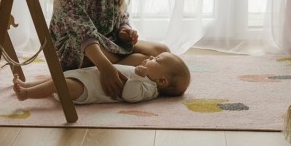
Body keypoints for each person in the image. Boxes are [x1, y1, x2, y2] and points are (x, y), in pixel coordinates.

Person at [14, 52, 191, 104]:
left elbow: (130, 95)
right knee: (56, 79)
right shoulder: (147, 77)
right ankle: (29, 84)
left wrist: (137, 76)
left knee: (58, 84)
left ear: (161, 81)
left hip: (88, 89)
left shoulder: (149, 89)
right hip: (87, 77)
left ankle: (27, 94)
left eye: (156, 59)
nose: (151, 57)